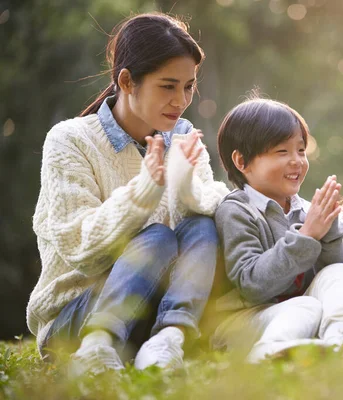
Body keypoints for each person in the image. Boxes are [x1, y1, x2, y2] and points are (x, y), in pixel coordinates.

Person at [26, 13, 229, 375]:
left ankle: (170, 339)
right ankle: (96, 345)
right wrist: (143, 192)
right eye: (168, 86)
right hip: (76, 314)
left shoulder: (183, 136)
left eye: (188, 86)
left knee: (202, 227)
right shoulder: (70, 140)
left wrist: (186, 187)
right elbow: (78, 247)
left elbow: (213, 210)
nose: (180, 100)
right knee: (156, 238)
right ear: (127, 81)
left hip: (151, 309)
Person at [212, 97, 343, 362]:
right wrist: (307, 235)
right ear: (242, 161)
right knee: (307, 306)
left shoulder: (305, 210)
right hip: (244, 322)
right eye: (282, 152)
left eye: (301, 151)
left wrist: (330, 231)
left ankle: (342, 340)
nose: (297, 161)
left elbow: (330, 269)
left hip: (301, 313)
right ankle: (267, 352)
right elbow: (252, 284)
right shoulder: (237, 210)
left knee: (338, 272)